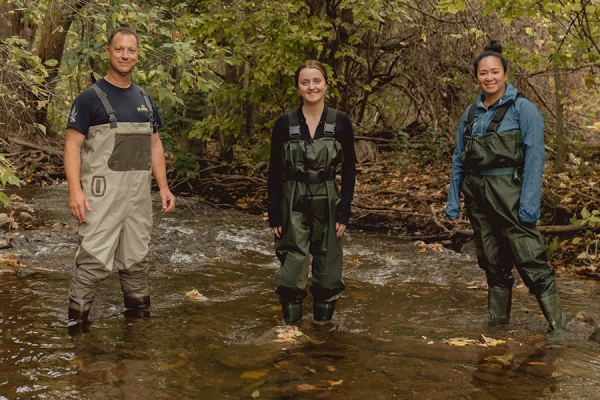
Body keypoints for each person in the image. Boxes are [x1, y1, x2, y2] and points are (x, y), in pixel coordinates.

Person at [446, 41, 566, 336]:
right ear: (476, 77)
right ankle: (498, 325)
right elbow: (458, 158)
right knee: (491, 260)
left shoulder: (524, 109)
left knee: (530, 257)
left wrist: (529, 205)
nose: (489, 78)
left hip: (510, 193)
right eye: (483, 73)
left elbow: (535, 157)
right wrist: (453, 201)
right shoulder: (470, 113)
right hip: (477, 195)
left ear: (505, 74)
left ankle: (559, 328)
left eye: (495, 72)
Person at [64, 27, 175, 333]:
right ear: (108, 53)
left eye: (131, 50)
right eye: (119, 49)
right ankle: (77, 331)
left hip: (138, 197)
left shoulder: (145, 98)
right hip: (101, 195)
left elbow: (155, 146)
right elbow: (72, 145)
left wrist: (163, 187)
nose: (125, 55)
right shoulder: (89, 98)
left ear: (137, 55)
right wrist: (75, 191)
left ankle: (137, 340)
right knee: (92, 263)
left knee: (136, 262)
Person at [267, 60, 356, 327]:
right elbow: (274, 171)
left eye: (316, 81)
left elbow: (350, 168)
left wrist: (344, 210)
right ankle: (291, 328)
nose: (311, 87)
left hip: (329, 197)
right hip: (292, 198)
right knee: (293, 261)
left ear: (326, 84)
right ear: (298, 87)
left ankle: (322, 331)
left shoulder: (341, 121)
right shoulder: (284, 123)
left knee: (328, 261)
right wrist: (274, 214)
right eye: (305, 82)